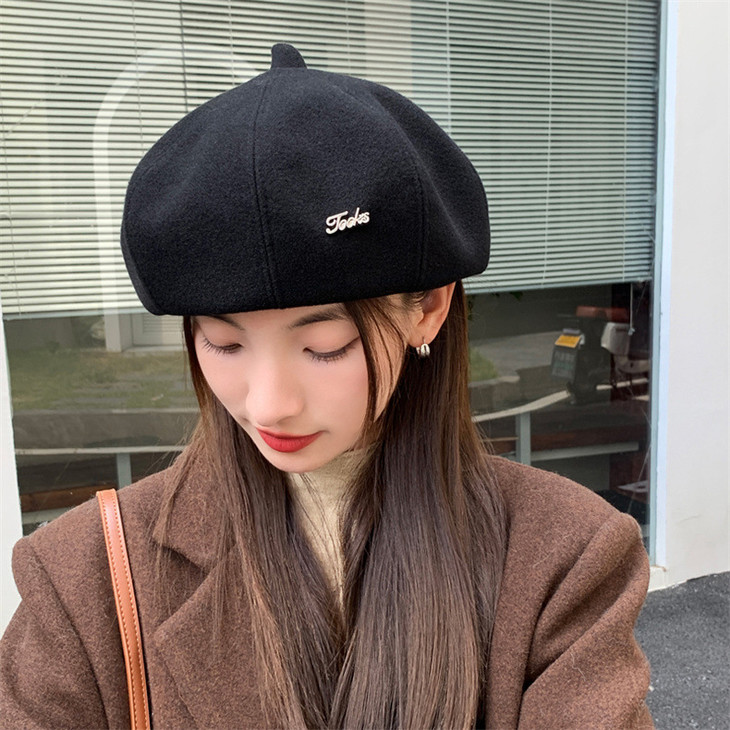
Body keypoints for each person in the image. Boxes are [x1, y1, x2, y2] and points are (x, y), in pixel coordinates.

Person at [0, 44, 653, 729]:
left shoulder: (565, 558)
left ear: (428, 308)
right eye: (223, 343)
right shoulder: (85, 576)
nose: (268, 404)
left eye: (324, 347)